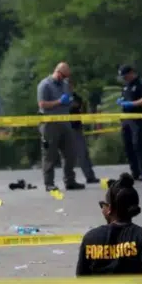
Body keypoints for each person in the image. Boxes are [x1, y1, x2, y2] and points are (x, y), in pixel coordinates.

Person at [37, 62, 85, 192]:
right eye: (63, 76)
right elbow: (42, 104)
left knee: (70, 153)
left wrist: (72, 103)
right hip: (49, 124)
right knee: (49, 154)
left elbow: (69, 101)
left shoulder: (65, 85)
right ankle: (49, 183)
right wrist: (59, 101)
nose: (64, 79)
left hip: (65, 122)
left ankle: (70, 181)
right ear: (57, 72)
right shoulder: (44, 85)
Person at [116, 65, 142, 181]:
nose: (124, 79)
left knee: (138, 145)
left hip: (138, 120)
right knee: (128, 146)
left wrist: (131, 104)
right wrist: (122, 102)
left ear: (131, 73)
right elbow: (124, 98)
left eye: (125, 76)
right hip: (126, 119)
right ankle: (134, 172)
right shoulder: (126, 86)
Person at [68, 80, 99, 184]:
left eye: (70, 85)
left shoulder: (77, 97)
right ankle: (69, 180)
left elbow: (81, 108)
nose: (69, 87)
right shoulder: (59, 98)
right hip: (64, 128)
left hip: (76, 127)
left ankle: (90, 176)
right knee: (67, 156)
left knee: (83, 153)